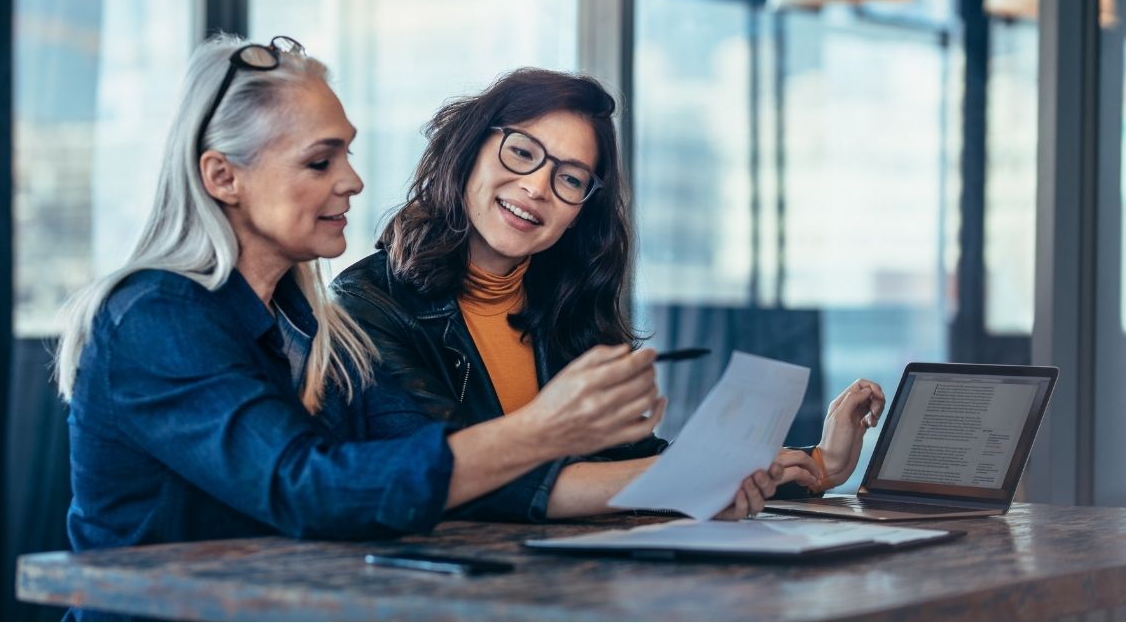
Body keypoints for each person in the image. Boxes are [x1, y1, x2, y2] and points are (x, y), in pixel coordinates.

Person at [54, 35, 782, 594]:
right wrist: (545, 429)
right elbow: (310, 489)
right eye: (320, 162)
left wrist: (707, 480)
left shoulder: (313, 330)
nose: (352, 180)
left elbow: (445, 465)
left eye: (348, 155)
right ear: (224, 176)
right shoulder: (156, 318)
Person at [332, 68, 886, 520]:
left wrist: (819, 463)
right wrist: (695, 478)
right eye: (522, 152)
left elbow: (629, 463)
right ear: (469, 150)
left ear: (579, 214)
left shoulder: (564, 307)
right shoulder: (366, 306)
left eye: (570, 179)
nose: (537, 187)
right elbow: (455, 477)